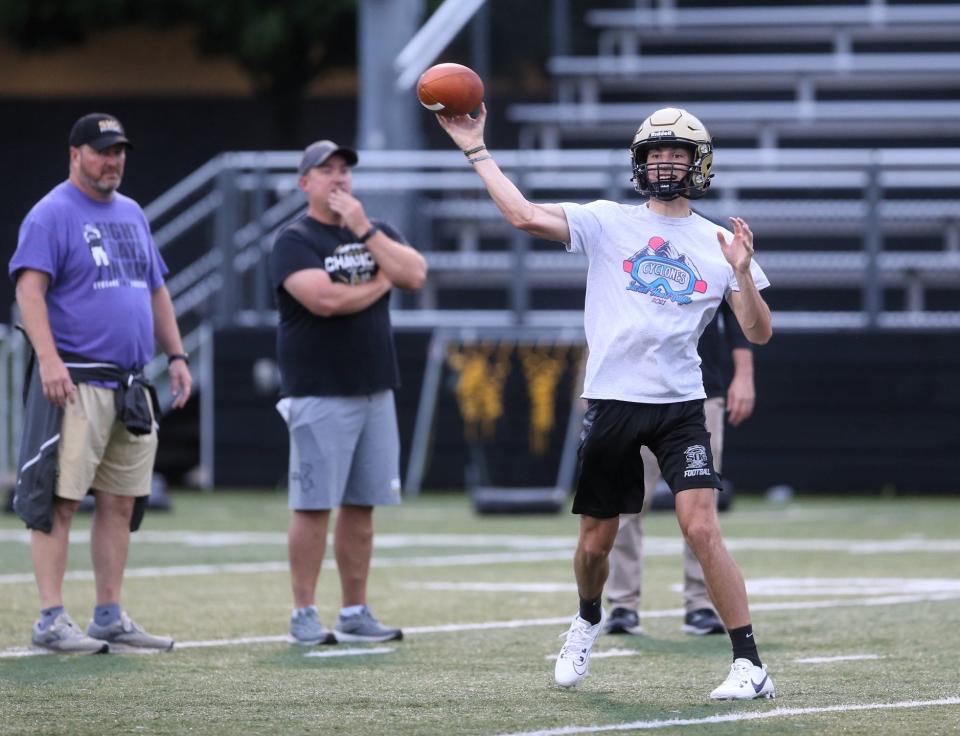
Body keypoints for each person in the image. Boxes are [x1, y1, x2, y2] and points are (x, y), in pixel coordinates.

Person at [437, 106, 775, 699]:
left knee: (701, 528)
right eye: (655, 153)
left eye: (677, 153)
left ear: (700, 164)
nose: (664, 162)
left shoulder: (720, 241)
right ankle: (589, 615)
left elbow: (758, 330)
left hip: (681, 405)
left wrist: (743, 275)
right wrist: (476, 150)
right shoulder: (606, 220)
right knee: (597, 540)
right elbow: (521, 214)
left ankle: (749, 663)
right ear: (638, 162)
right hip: (614, 401)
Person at [9, 112, 192, 653]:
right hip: (76, 381)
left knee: (119, 501)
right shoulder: (51, 214)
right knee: (59, 501)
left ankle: (108, 614)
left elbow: (155, 289)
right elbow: (29, 291)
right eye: (101, 151)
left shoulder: (132, 212)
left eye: (119, 151)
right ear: (75, 155)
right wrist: (48, 360)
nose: (113, 161)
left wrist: (176, 355)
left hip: (131, 385)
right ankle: (49, 618)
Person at [270, 140, 427, 645]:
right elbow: (326, 300)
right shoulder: (294, 238)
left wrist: (363, 229)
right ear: (305, 183)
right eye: (326, 170)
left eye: (344, 170)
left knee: (363, 505)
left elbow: (416, 275)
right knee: (314, 503)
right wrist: (383, 282)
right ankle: (303, 613)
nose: (338, 178)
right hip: (319, 389)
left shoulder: (372, 228)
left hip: (375, 387)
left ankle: (355, 610)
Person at [605, 300, 756, 638]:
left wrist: (744, 375)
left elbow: (739, 310)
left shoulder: (714, 246)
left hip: (699, 390)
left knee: (701, 509)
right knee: (627, 501)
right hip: (636, 390)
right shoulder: (630, 244)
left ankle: (700, 603)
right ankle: (622, 605)